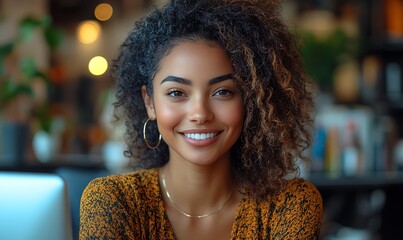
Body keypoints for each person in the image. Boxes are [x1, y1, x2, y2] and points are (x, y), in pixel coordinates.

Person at [79, 0, 323, 239]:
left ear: (251, 100)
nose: (200, 114)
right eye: (176, 93)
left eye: (222, 92)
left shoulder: (290, 205)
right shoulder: (113, 202)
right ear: (150, 102)